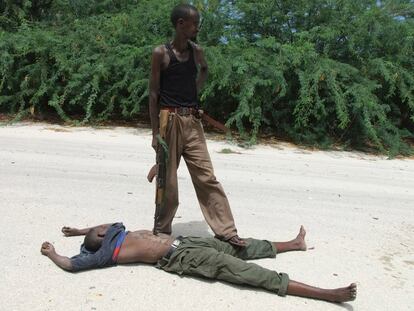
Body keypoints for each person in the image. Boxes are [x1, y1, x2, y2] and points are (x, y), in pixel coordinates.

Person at [40, 223, 357, 303]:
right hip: (182, 257)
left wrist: (76, 230)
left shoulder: (114, 231)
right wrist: (52, 252)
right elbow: (71, 264)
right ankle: (328, 294)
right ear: (101, 240)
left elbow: (96, 227)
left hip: (188, 243)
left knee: (237, 245)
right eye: (98, 231)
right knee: (244, 271)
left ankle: (293, 244)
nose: (101, 228)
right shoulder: (108, 253)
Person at [148, 4, 245, 246]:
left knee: (206, 176)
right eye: (194, 22)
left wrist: (192, 93)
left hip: (192, 122)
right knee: (167, 179)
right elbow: (152, 93)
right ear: (181, 24)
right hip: (167, 121)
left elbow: (204, 70)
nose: (197, 27)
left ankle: (226, 230)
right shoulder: (161, 53)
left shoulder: (197, 51)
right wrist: (154, 133)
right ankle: (161, 229)